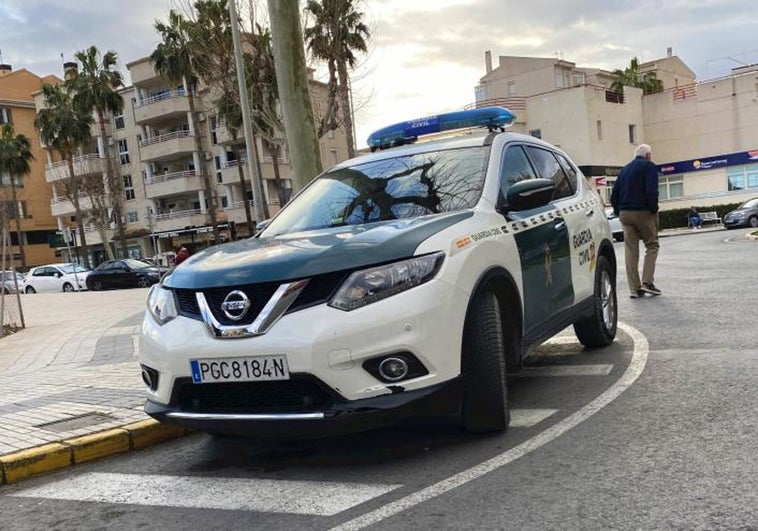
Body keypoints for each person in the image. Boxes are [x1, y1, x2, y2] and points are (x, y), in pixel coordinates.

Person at [611, 144, 661, 299]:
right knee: (652, 245)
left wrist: (619, 211)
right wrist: (653, 209)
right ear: (647, 155)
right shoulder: (649, 167)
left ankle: (634, 289)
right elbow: (652, 190)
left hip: (625, 214)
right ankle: (647, 283)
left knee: (631, 251)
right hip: (643, 212)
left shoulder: (624, 170)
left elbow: (614, 195)